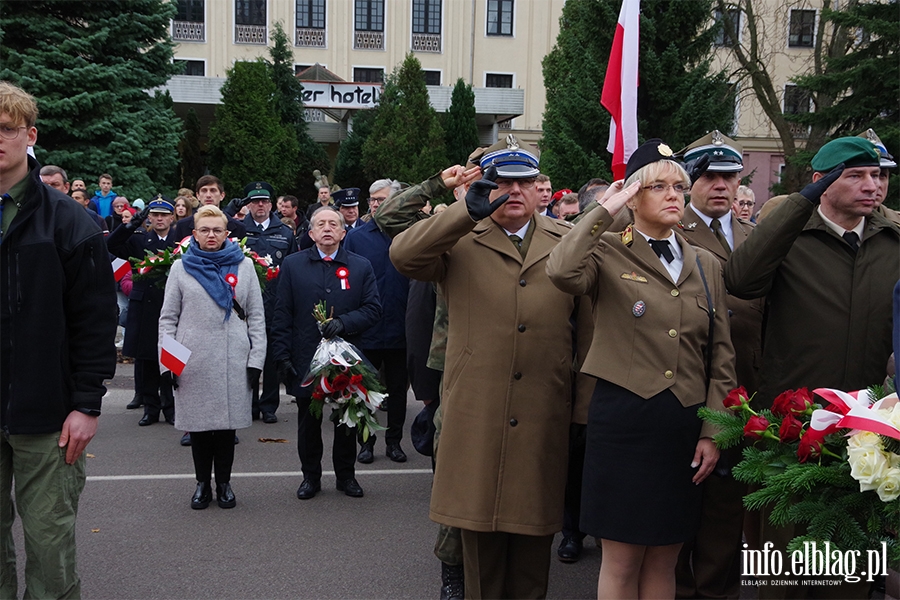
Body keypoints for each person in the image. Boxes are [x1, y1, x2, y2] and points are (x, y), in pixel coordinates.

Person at [390, 135, 585, 599]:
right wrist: (463, 212)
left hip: (542, 415)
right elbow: (402, 254)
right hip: (476, 416)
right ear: (485, 186)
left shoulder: (566, 241)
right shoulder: (460, 239)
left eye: (523, 181)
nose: (513, 191)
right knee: (479, 560)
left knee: (534, 557)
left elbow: (590, 327)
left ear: (540, 187)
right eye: (501, 182)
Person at [546, 139, 736, 600]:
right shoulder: (608, 250)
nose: (674, 195)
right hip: (625, 421)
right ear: (633, 196)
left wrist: (715, 430)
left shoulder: (705, 262)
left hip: (682, 425)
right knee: (623, 559)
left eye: (679, 186)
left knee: (667, 556)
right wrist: (604, 210)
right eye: (658, 187)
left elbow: (721, 355)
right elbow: (561, 270)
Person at [725, 136, 900, 599]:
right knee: (784, 570)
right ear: (822, 182)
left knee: (851, 574)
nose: (873, 185)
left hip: (868, 430)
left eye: (879, 175)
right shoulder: (789, 237)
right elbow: (741, 281)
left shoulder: (893, 240)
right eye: (856, 175)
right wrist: (798, 205)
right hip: (793, 428)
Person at [0, 80, 118, 600]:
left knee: (49, 546)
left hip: (48, 417)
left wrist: (87, 404)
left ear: (30, 135)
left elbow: (95, 320)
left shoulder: (70, 221)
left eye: (5, 129)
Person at [674, 131, 763, 600]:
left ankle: (717, 588)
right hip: (686, 383)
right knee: (683, 495)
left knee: (728, 504)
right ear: (690, 182)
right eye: (710, 176)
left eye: (730, 176)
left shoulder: (756, 234)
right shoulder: (670, 228)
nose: (722, 186)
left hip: (744, 387)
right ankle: (679, 586)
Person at [159, 204, 266, 510]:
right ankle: (202, 484)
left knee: (226, 429)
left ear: (227, 234)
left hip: (233, 357)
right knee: (201, 429)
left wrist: (256, 360)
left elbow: (256, 317)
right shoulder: (180, 267)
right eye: (204, 230)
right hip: (192, 360)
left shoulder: (244, 266)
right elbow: (168, 319)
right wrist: (169, 363)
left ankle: (225, 484)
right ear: (194, 233)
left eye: (217, 230)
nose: (211, 235)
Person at [273, 207, 381, 500]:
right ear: (310, 233)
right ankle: (310, 477)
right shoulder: (294, 265)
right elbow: (282, 313)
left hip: (347, 360)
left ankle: (346, 476)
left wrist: (344, 323)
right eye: (320, 224)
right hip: (306, 358)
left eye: (334, 224)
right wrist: (282, 356)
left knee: (346, 420)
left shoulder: (360, 266)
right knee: (309, 423)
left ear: (343, 232)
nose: (327, 228)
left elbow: (373, 309)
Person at [345, 183, 410, 463]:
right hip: (366, 329)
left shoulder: (409, 235)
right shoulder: (358, 238)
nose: (375, 205)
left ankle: (394, 442)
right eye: (372, 200)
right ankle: (366, 442)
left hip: (400, 327)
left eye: (381, 199)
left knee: (397, 391)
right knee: (365, 389)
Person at [107, 195, 178, 426]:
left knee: (170, 359)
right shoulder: (139, 240)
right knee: (147, 361)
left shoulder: (180, 242)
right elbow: (112, 245)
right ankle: (150, 408)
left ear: (171, 217)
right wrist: (132, 223)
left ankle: (170, 407)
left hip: (170, 305)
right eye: (155, 215)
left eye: (164, 215)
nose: (159, 219)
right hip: (146, 305)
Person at [235, 181, 297, 423]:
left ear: (271, 204)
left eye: (264, 200)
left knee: (272, 356)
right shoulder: (240, 230)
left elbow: (292, 268)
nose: (260, 205)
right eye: (255, 201)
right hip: (246, 306)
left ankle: (269, 405)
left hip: (275, 304)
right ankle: (248, 404)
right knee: (246, 355)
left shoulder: (284, 232)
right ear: (249, 204)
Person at [173, 175, 247, 241]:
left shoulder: (238, 228)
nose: (208, 195)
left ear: (222, 195)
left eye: (213, 190)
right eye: (204, 191)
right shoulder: (183, 226)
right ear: (198, 195)